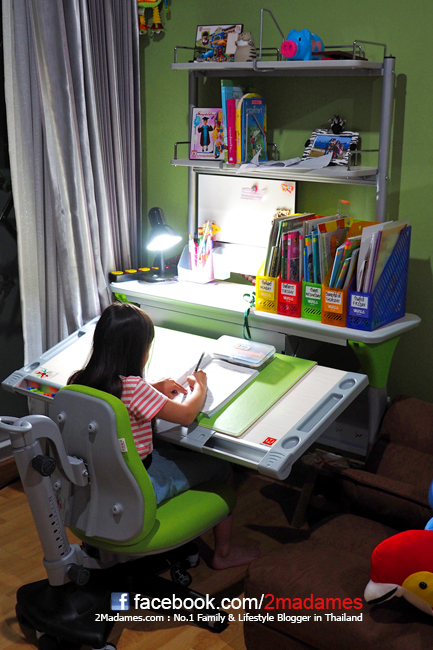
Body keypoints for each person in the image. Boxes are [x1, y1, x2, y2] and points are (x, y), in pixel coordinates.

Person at [68, 302, 260, 570]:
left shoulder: (80, 381)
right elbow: (186, 414)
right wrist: (200, 388)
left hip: (100, 482)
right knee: (222, 468)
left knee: (171, 453)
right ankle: (223, 554)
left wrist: (153, 388)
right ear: (138, 350)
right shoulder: (134, 387)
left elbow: (121, 397)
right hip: (140, 484)